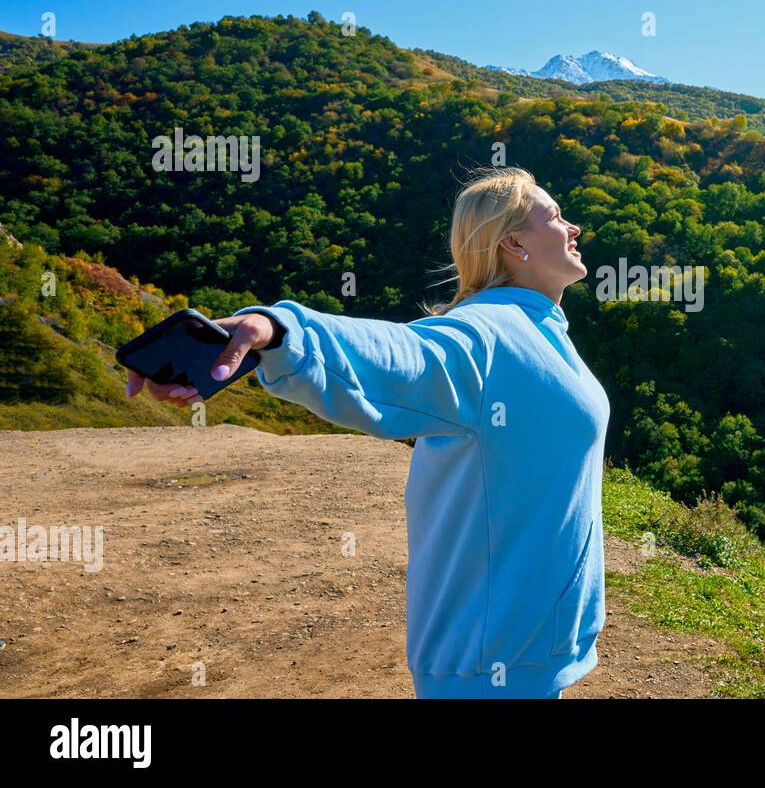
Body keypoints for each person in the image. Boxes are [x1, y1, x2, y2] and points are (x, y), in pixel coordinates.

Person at [126, 167, 607, 699]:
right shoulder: (488, 336)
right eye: (556, 218)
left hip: (532, 652)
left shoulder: (539, 329)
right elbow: (402, 354)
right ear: (513, 242)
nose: (574, 228)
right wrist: (284, 332)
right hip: (489, 665)